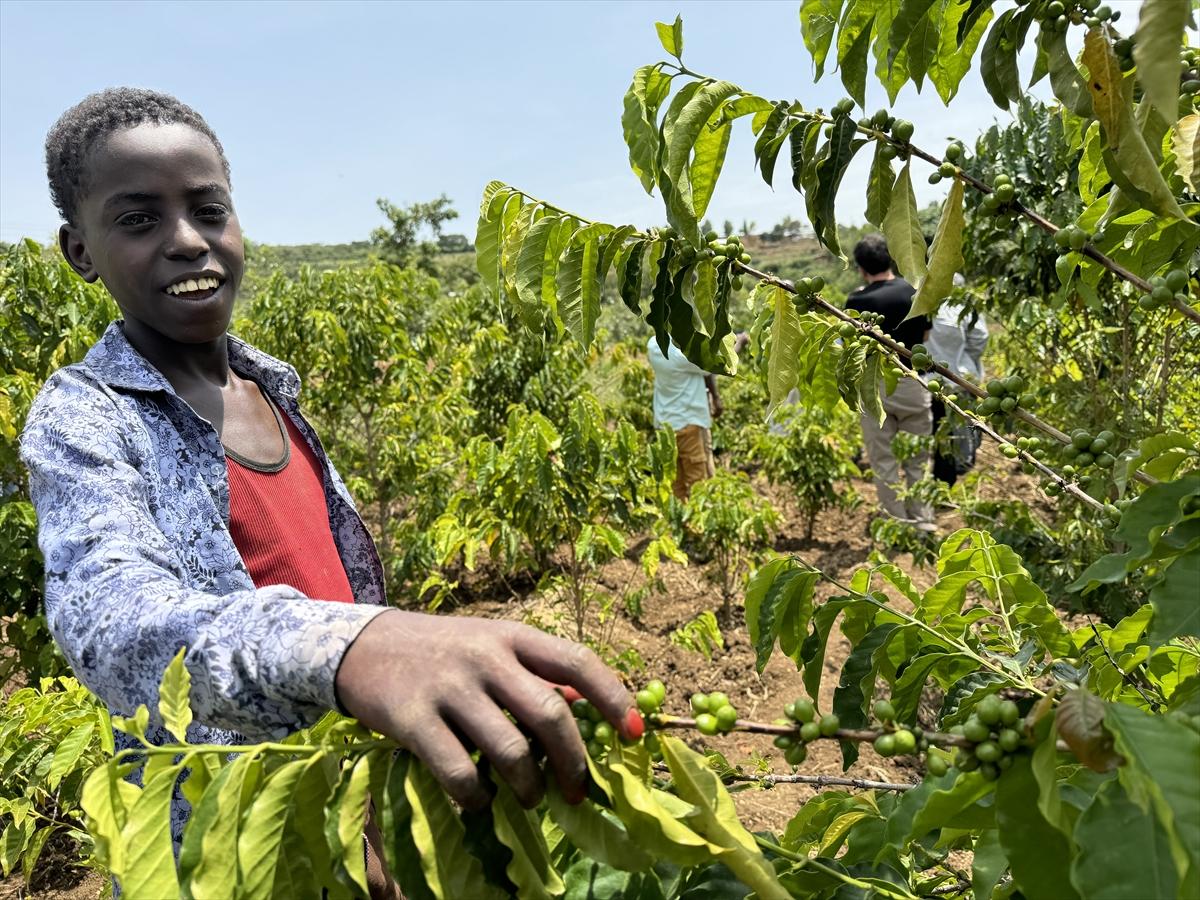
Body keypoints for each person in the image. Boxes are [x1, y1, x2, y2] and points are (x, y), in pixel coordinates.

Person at [21, 88, 638, 896]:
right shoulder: (85, 415)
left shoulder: (270, 389)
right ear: (80, 251)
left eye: (209, 209)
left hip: (364, 783)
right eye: (138, 220)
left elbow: (326, 579)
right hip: (246, 836)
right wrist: (352, 650)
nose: (186, 242)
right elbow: (110, 619)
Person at [846, 234, 935, 531]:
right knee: (918, 459)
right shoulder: (914, 290)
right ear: (891, 258)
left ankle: (898, 524)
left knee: (883, 460)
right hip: (913, 382)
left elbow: (853, 346)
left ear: (861, 269)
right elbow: (924, 338)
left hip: (877, 387)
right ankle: (923, 522)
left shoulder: (857, 301)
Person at [925, 277, 989, 485]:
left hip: (929, 381)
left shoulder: (922, 304)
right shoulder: (964, 307)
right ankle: (951, 476)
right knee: (959, 431)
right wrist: (965, 360)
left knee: (940, 431)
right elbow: (980, 337)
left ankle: (942, 480)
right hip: (960, 379)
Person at [646, 335, 722, 499]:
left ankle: (679, 521)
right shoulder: (682, 356)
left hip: (665, 426)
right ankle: (699, 520)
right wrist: (740, 342)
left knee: (675, 482)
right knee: (698, 482)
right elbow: (716, 364)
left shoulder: (653, 346)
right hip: (688, 424)